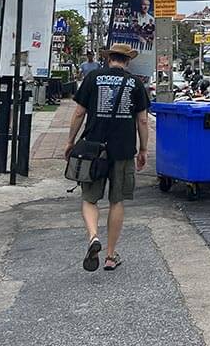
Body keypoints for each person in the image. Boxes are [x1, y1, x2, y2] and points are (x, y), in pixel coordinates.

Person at [64, 43, 150, 272]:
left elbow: (79, 112)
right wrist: (143, 149)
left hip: (93, 149)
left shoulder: (93, 77)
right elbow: (142, 120)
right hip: (123, 150)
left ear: (108, 58)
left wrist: (70, 141)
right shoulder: (136, 83)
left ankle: (93, 237)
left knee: (90, 199)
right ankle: (111, 256)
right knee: (117, 200)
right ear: (127, 61)